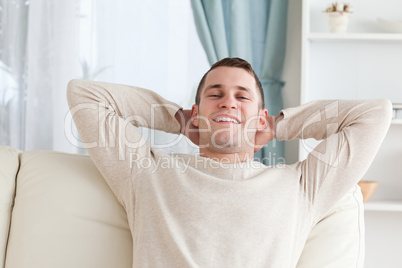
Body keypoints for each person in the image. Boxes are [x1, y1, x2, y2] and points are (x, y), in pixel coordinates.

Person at [67, 57, 391, 267]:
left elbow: (374, 114)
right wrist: (178, 120)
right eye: (215, 94)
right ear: (197, 112)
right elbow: (84, 95)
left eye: (242, 96)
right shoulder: (146, 172)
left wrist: (278, 125)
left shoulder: (302, 186)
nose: (228, 102)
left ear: (260, 117)